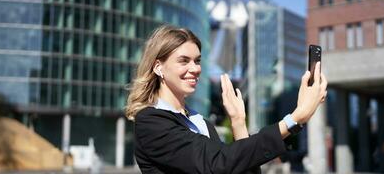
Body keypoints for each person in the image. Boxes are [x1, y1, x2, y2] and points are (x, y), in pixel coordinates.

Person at [125, 25, 327, 174]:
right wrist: (294, 119)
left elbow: (238, 166)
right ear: (158, 67)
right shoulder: (150, 121)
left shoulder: (201, 123)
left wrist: (239, 124)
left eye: (197, 60)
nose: (195, 68)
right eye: (183, 61)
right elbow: (217, 163)